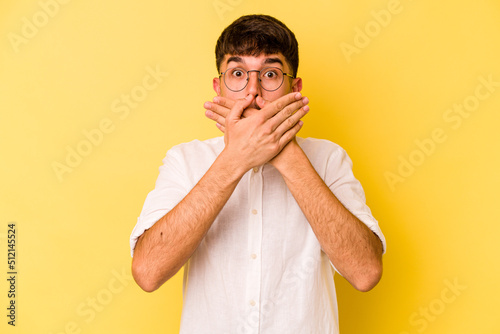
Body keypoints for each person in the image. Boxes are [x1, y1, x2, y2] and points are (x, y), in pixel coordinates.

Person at [130, 14, 386, 333]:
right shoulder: (184, 160)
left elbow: (365, 273)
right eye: (238, 73)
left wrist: (282, 150)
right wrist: (234, 159)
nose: (253, 91)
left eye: (270, 74)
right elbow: (147, 272)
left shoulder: (329, 159)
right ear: (219, 87)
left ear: (295, 86)